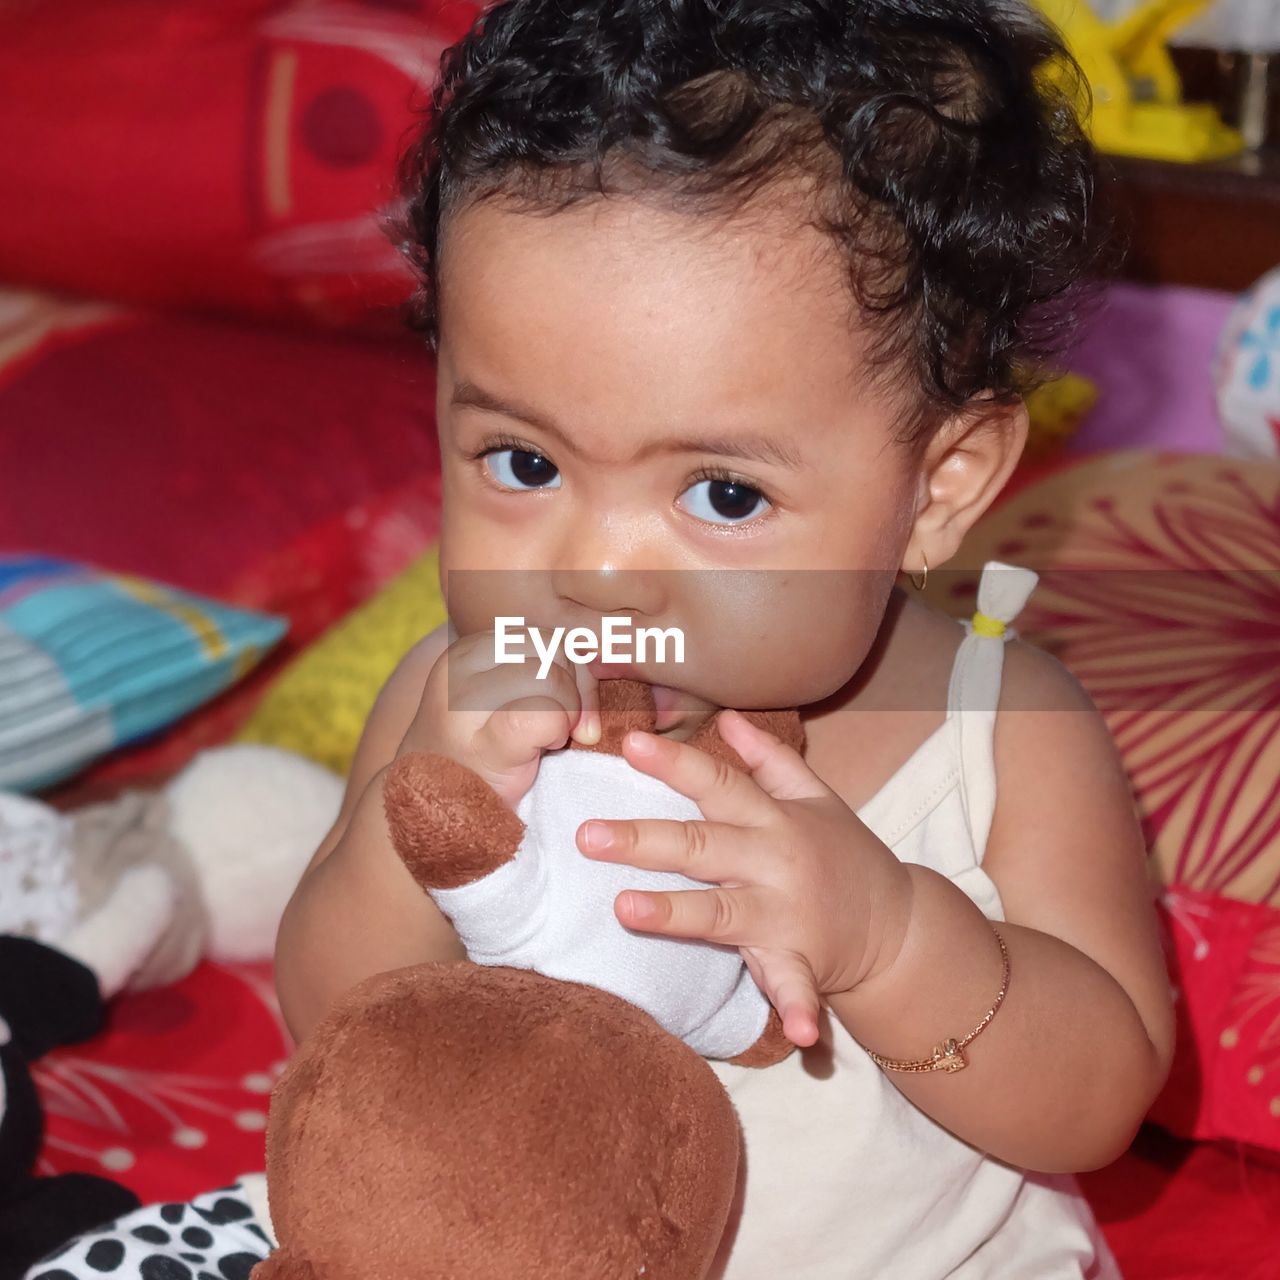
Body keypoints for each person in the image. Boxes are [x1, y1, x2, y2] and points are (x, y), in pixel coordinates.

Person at [29, 1, 1174, 1277]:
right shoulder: (455, 698)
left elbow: (1096, 1093)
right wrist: (418, 837)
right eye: (521, 460)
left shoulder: (1001, 725)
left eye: (722, 493)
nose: (592, 571)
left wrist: (889, 933)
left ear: (941, 484)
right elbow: (338, 1020)